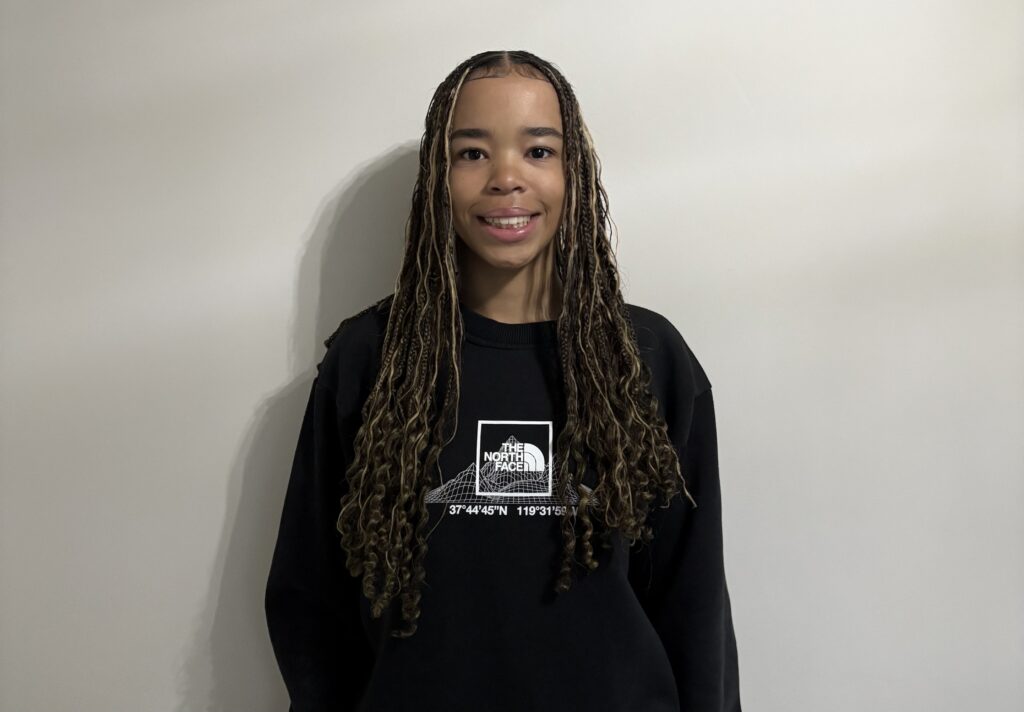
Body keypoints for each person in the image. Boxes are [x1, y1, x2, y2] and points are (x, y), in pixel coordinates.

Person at [265, 49, 742, 712]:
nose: (506, 178)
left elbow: (695, 606)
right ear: (438, 177)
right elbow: (310, 600)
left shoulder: (647, 358)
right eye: (472, 153)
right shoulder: (372, 359)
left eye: (539, 151)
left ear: (575, 172)